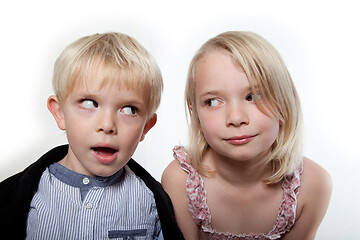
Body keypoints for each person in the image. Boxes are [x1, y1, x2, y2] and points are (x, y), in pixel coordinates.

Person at [0, 32, 184, 240]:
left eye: (129, 109)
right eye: (90, 103)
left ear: (146, 128)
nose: (107, 125)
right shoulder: (21, 197)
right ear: (60, 113)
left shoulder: (152, 202)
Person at [162, 31, 332, 240]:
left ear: (285, 100)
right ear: (195, 112)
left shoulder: (312, 185)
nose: (236, 118)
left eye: (253, 96)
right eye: (213, 102)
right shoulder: (180, 181)